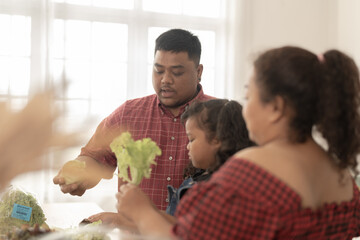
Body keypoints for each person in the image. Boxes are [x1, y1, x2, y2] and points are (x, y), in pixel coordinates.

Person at [116, 46, 360, 239]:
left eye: (248, 97)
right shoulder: (341, 176)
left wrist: (141, 212)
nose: (244, 109)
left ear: (276, 108)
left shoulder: (252, 169)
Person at [53, 28, 214, 222]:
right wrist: (79, 173)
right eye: (158, 70)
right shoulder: (128, 113)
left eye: (177, 72)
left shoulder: (219, 116)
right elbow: (94, 158)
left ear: (198, 72)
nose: (165, 80)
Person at [113, 98, 254, 231]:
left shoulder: (218, 190)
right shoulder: (199, 177)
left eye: (191, 139)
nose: (187, 146)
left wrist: (144, 212)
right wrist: (128, 217)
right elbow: (179, 224)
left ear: (216, 140)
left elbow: (179, 234)